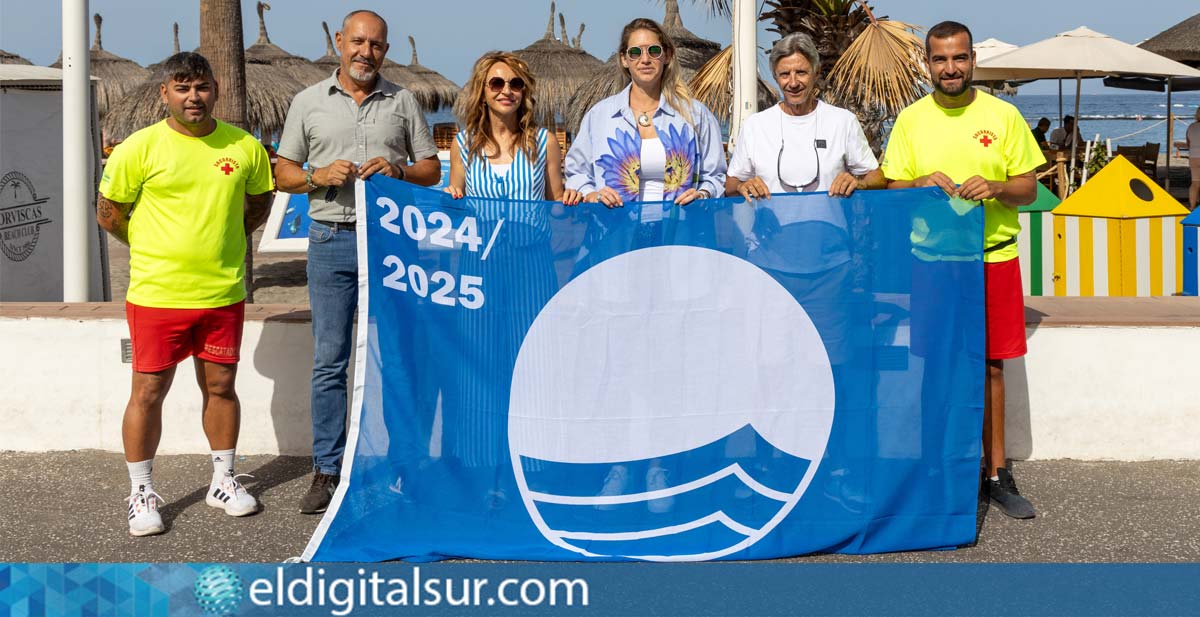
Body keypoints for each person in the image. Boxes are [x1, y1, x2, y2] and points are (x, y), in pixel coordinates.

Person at [96, 52, 275, 536]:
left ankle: (223, 481)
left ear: (215, 90)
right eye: (181, 88)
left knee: (220, 387)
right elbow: (109, 213)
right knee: (148, 392)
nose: (192, 97)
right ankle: (140, 492)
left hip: (222, 293)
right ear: (165, 94)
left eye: (200, 88)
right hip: (157, 294)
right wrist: (153, 245)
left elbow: (259, 200)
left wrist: (228, 238)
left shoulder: (243, 146)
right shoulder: (139, 147)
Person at [275, 9, 441, 515]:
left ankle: (404, 467)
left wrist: (398, 170)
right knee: (331, 360)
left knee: (397, 356)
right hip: (331, 239)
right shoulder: (308, 102)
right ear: (340, 43)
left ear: (384, 51)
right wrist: (317, 175)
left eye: (375, 45)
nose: (365, 52)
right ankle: (327, 471)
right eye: (358, 42)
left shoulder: (404, 101)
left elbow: (431, 169)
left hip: (392, 241)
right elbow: (283, 174)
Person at [881, 21, 1043, 519]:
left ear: (972, 60)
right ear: (926, 63)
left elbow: (1029, 188)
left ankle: (996, 472)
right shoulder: (910, 120)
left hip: (992, 258)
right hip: (933, 262)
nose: (949, 68)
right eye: (939, 59)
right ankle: (934, 466)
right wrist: (920, 183)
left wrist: (996, 187)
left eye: (958, 58)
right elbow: (890, 189)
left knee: (992, 365)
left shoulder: (1004, 114)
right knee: (934, 364)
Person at [565, 17, 725, 212]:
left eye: (654, 50)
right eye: (635, 52)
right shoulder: (599, 116)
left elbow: (716, 176)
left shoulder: (696, 115)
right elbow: (577, 172)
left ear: (666, 56)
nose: (645, 59)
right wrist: (592, 193)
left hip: (678, 232)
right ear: (624, 59)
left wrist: (703, 194)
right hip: (616, 232)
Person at [1187, 106, 1200, 211]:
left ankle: (1192, 206)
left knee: (1195, 182)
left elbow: (1188, 143)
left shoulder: (1191, 127)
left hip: (1193, 157)